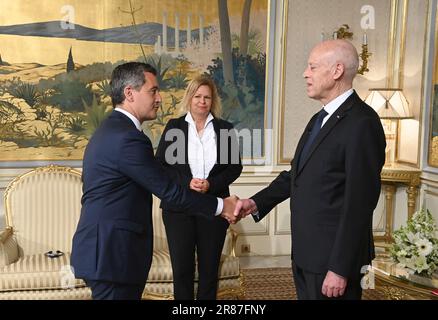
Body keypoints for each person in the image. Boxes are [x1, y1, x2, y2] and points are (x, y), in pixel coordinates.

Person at [71, 62, 238, 300]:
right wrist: (222, 206)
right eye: (153, 91)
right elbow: (168, 190)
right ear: (129, 93)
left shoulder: (114, 129)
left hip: (109, 252)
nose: (159, 98)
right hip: (112, 254)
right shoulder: (127, 138)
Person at [234, 40, 386, 300]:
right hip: (307, 253)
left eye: (313, 67)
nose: (306, 73)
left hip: (333, 261)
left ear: (337, 71)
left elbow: (359, 204)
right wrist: (254, 202)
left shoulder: (363, 123)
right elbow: (297, 174)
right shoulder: (319, 119)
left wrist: (339, 268)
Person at [155, 75, 242, 300]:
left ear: (212, 101)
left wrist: (211, 184)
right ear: (190, 98)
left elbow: (234, 168)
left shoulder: (225, 129)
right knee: (182, 270)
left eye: (207, 97)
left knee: (209, 271)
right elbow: (161, 166)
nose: (202, 101)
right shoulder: (174, 127)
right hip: (178, 209)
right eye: (198, 96)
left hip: (213, 208)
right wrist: (187, 182)